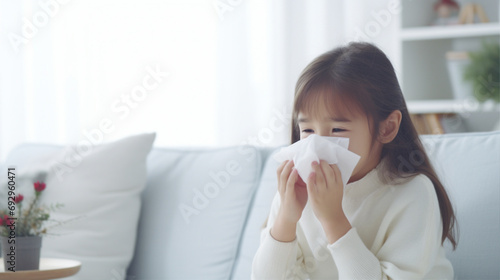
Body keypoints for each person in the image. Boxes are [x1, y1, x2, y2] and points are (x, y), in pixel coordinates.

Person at [251, 42, 457, 279]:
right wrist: (286, 217)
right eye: (307, 130)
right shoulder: (295, 190)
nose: (317, 145)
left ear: (387, 128)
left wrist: (333, 220)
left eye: (337, 129)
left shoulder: (413, 193)